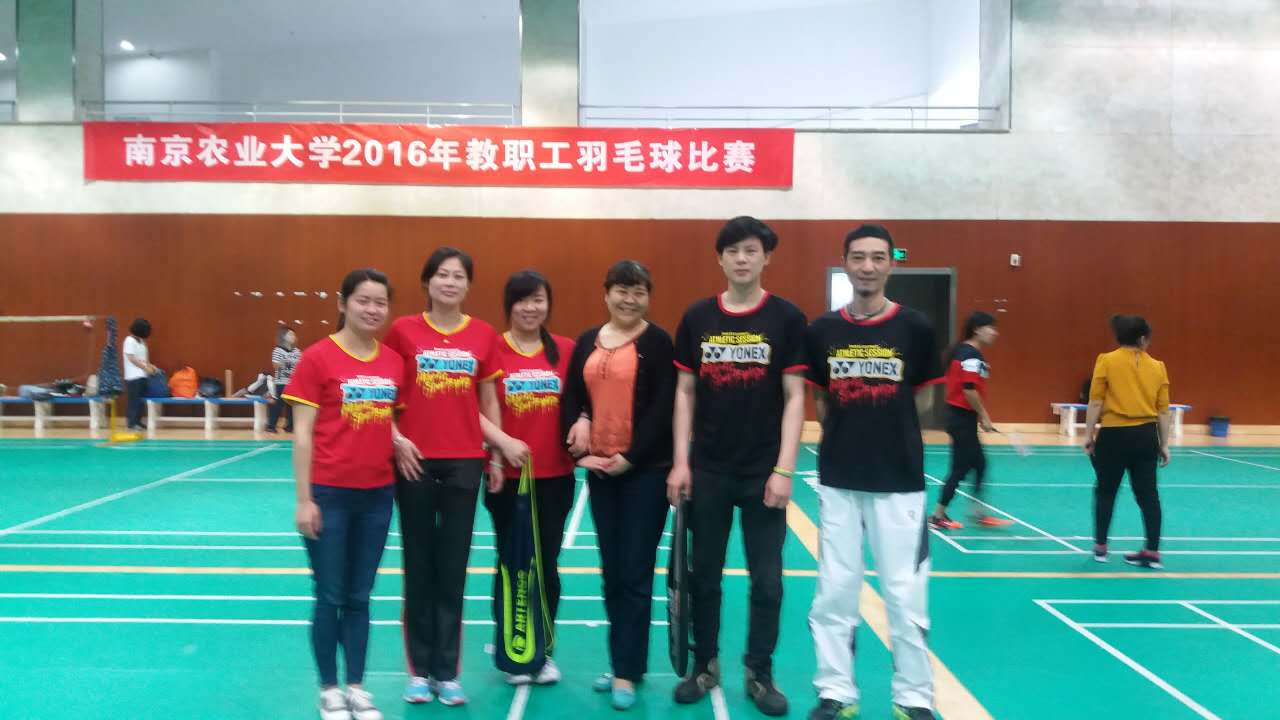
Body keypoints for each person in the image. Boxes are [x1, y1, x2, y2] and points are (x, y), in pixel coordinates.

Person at [666, 217, 806, 716]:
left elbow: (795, 397)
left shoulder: (787, 318)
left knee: (767, 580)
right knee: (704, 576)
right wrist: (680, 463)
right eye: (733, 251)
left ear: (767, 257)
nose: (742, 259)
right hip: (709, 470)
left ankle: (759, 672)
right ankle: (704, 664)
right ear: (720, 259)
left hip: (762, 471)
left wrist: (784, 470)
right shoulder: (698, 317)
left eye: (751, 250)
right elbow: (685, 392)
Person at [804, 224, 941, 720]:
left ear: (891, 264)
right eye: (858, 257)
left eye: (877, 257)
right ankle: (836, 691)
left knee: (905, 594)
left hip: (899, 480)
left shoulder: (915, 328)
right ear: (845, 262)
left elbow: (923, 397)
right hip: (839, 478)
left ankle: (914, 698)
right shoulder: (822, 330)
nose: (867, 266)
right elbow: (821, 399)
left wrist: (887, 428)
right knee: (835, 590)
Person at [382, 247, 528, 707]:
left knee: (452, 568)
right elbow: (384, 392)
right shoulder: (403, 331)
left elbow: (487, 402)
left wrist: (496, 457)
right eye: (442, 275)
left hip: (466, 462)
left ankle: (446, 672)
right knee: (418, 566)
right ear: (427, 282)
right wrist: (396, 439)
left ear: (468, 285)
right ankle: (417, 671)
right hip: (415, 462)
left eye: (459, 276)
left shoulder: (482, 335)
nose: (450, 282)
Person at [284, 268, 403, 720]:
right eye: (363, 300)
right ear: (343, 303)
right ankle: (329, 690)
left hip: (377, 496)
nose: (372, 309)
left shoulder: (392, 362)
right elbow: (302, 434)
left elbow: (385, 418)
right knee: (330, 594)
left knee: (359, 595)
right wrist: (304, 499)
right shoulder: (317, 358)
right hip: (329, 495)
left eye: (380, 302)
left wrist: (399, 440)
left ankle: (356, 686)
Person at [562, 260, 675, 711]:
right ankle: (623, 661)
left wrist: (631, 458)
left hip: (644, 473)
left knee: (634, 572)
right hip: (601, 473)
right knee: (611, 571)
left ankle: (627, 670)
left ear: (648, 297)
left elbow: (662, 409)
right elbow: (575, 394)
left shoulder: (658, 343)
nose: (630, 299)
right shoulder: (587, 340)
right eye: (622, 290)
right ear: (606, 293)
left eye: (639, 291)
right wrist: (581, 427)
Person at [483, 270, 577, 686]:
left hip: (555, 476)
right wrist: (500, 446)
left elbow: (583, 401)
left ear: (548, 304)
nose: (530, 307)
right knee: (511, 564)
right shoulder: (492, 348)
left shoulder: (566, 350)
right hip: (507, 478)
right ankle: (511, 650)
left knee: (546, 565)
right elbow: (476, 407)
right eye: (522, 300)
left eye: (538, 299)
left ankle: (543, 651)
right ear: (509, 304)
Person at [1083, 314, 1171, 569]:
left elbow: (1095, 401)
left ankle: (1101, 548)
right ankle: (1152, 552)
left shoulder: (1106, 360)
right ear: (1143, 339)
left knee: (1105, 491)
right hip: (1146, 436)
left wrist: (1088, 435)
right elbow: (1163, 411)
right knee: (1148, 495)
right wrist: (1164, 444)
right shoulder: (1158, 367)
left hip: (1113, 435)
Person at [929, 311, 1013, 531]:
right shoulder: (971, 355)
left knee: (979, 463)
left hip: (961, 417)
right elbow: (968, 390)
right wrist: (984, 415)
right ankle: (937, 515)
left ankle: (977, 513)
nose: (995, 333)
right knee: (959, 468)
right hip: (960, 417)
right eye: (990, 328)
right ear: (977, 329)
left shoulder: (962, 351)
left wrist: (978, 415)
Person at [122, 317, 157, 430]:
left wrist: (151, 366)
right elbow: (131, 358)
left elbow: (144, 359)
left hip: (142, 375)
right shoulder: (129, 340)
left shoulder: (142, 342)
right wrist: (145, 368)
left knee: (140, 401)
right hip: (133, 376)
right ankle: (132, 423)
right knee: (134, 400)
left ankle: (138, 421)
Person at [269, 326, 302, 433]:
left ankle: (290, 427)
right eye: (290, 334)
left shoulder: (297, 351)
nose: (293, 337)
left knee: (291, 406)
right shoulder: (278, 350)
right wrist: (286, 361)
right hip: (281, 382)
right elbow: (275, 365)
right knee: (278, 405)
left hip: (293, 383)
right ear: (283, 336)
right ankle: (271, 426)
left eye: (294, 335)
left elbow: (300, 365)